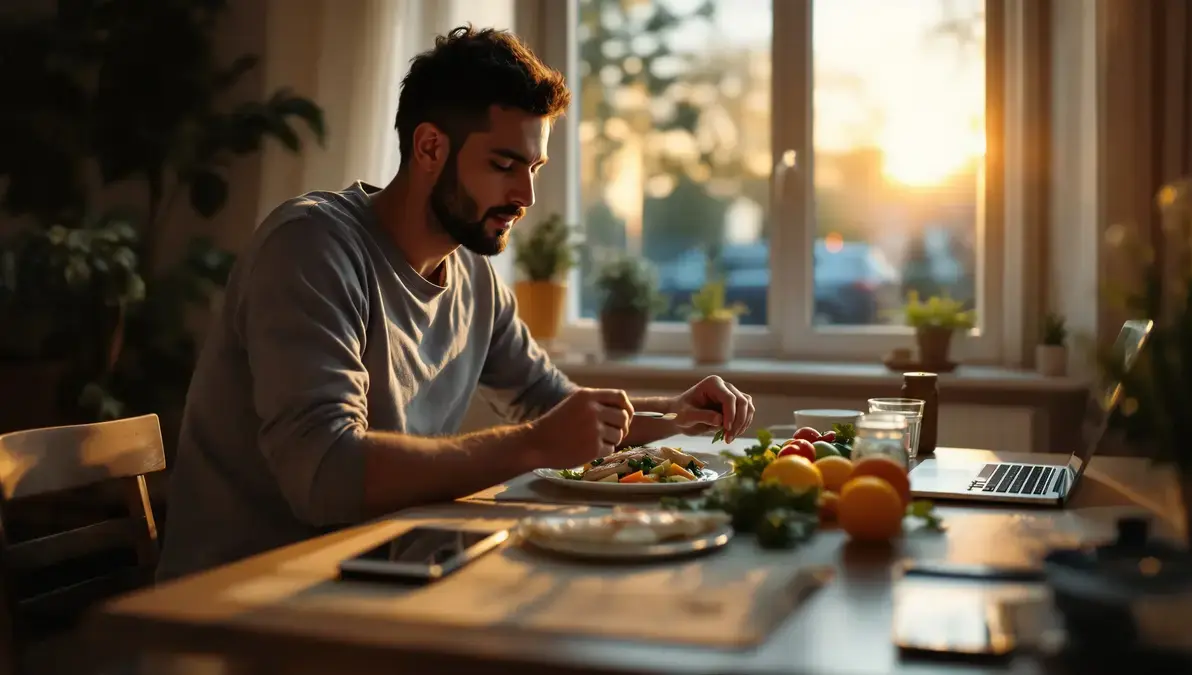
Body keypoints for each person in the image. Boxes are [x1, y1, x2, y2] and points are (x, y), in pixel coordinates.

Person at [155, 26, 755, 581]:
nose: (525, 195)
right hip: (244, 603)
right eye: (504, 165)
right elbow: (324, 476)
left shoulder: (475, 277)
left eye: (534, 167)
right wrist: (535, 445)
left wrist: (674, 414)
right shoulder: (311, 246)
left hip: (386, 573)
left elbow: (551, 409)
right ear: (430, 148)